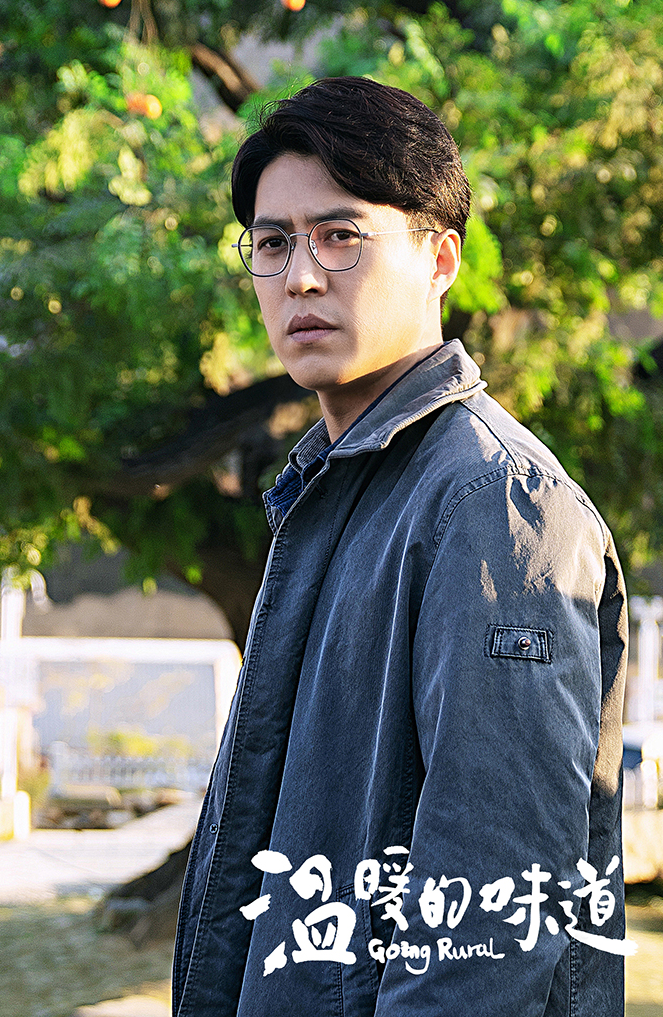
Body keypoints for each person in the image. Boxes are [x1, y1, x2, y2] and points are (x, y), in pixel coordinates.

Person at [172, 77, 631, 1017]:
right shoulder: (335, 491)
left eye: (340, 235)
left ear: (440, 259)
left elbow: (491, 918)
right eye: (273, 243)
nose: (301, 277)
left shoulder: (496, 504)